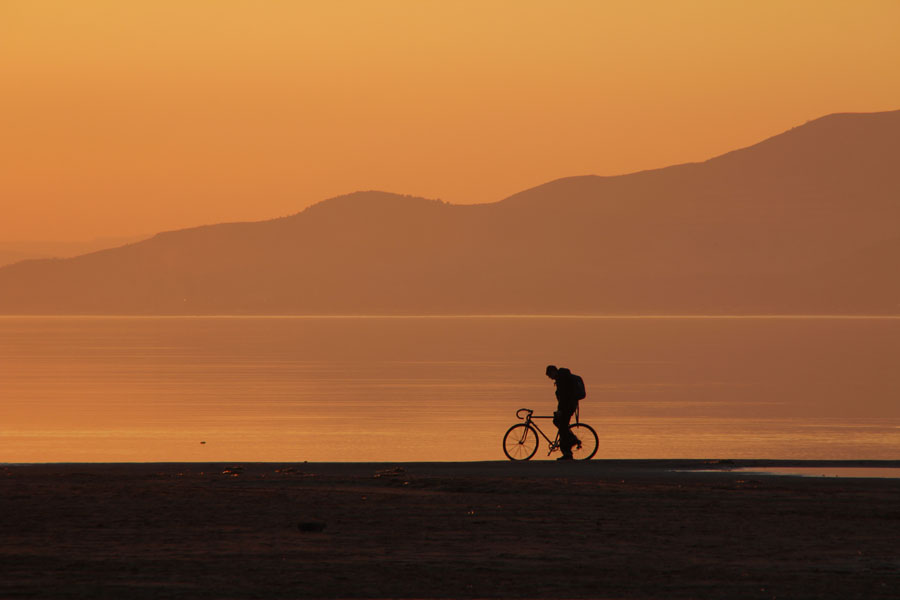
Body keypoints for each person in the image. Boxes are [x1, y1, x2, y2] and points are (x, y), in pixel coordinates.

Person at [546, 364, 581, 460]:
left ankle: (567, 453)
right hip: (568, 406)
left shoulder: (562, 379)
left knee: (562, 428)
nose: (550, 377)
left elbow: (564, 397)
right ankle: (572, 439)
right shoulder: (562, 378)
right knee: (558, 422)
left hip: (568, 407)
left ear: (553, 371)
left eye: (549, 375)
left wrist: (560, 410)